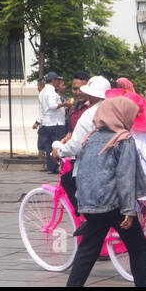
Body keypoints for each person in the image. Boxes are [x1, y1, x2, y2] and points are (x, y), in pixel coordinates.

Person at [66, 96, 146, 287]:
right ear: (122, 116)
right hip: (114, 206)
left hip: (92, 205)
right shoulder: (123, 139)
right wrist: (129, 210)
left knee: (87, 251)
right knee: (138, 248)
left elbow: (82, 172)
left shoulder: (90, 137)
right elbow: (125, 177)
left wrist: (82, 204)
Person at [52, 75, 111, 213]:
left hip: (92, 166)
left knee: (67, 180)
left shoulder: (89, 114)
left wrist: (59, 152)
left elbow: (76, 145)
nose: (78, 93)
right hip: (114, 163)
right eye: (75, 89)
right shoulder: (116, 110)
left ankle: (83, 215)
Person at [36, 72, 68, 175]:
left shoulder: (42, 92)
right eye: (58, 80)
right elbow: (53, 106)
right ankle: (61, 167)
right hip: (56, 123)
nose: (59, 82)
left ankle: (51, 167)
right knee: (58, 144)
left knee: (49, 146)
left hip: (47, 123)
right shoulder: (51, 92)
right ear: (53, 80)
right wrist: (65, 104)